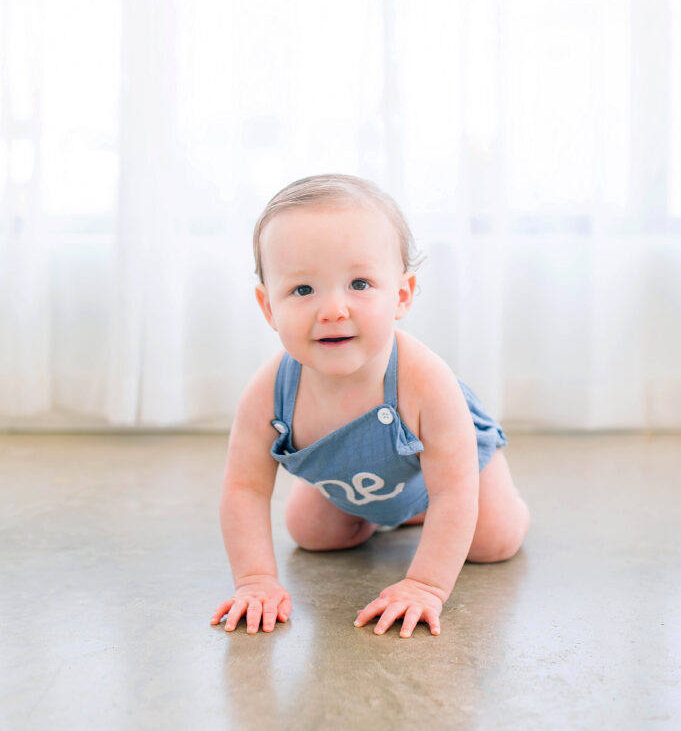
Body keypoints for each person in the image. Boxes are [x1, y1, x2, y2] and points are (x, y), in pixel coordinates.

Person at [211, 174, 530, 639]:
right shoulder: (270, 392)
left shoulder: (426, 383)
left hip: (453, 474)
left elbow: (454, 492)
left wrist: (424, 586)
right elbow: (244, 489)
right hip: (357, 480)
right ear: (268, 307)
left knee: (493, 540)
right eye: (303, 290)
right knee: (312, 534)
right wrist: (255, 580)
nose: (334, 310)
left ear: (401, 294)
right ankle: (395, 511)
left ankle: (457, 506)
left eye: (359, 283)